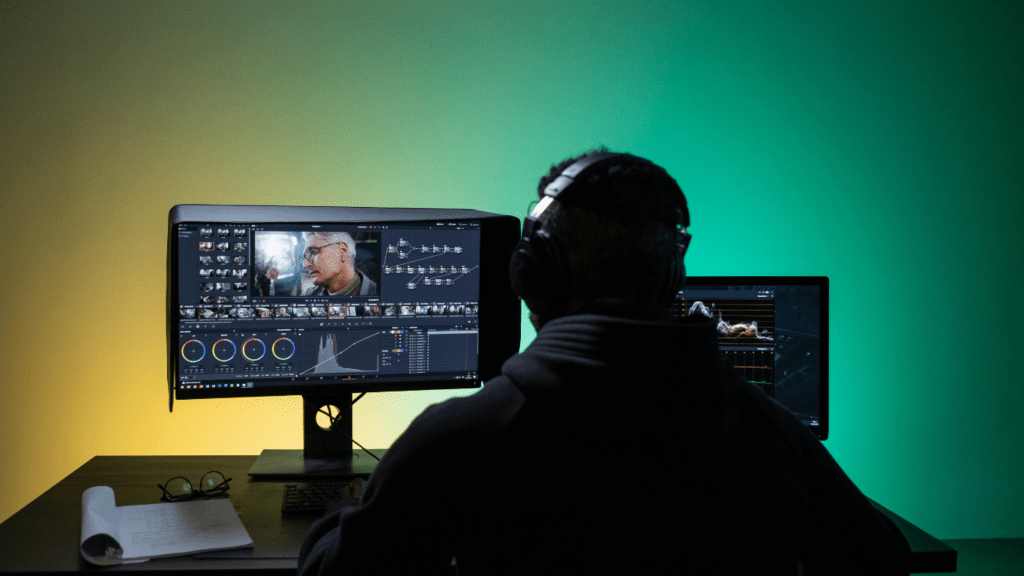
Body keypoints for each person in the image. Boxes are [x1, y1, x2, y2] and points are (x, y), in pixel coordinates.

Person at [297, 150, 911, 575]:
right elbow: (880, 560)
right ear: (670, 277)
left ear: (533, 271)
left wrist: (344, 518)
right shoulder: (770, 430)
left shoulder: (464, 436)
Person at [301, 231, 378, 296]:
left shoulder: (378, 293)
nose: (305, 265)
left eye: (313, 252)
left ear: (342, 251)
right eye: (306, 257)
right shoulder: (308, 295)